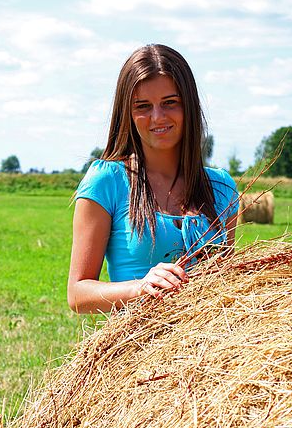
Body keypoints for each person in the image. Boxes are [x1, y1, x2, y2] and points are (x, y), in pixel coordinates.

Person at [67, 44, 239, 314]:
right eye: (143, 106)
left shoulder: (222, 188)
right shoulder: (106, 181)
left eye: (170, 102)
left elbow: (228, 284)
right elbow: (77, 294)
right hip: (141, 349)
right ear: (128, 114)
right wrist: (140, 287)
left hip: (212, 348)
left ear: (189, 106)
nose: (157, 117)